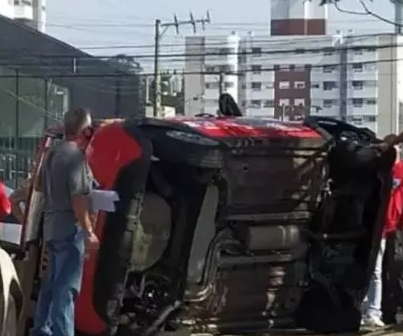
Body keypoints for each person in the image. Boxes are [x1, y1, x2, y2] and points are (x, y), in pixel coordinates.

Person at [30, 107, 100, 336]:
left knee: (51, 285)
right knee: (66, 290)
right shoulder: (75, 157)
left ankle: (42, 330)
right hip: (70, 230)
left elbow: (39, 185)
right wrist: (89, 232)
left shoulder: (54, 154)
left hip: (52, 228)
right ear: (85, 130)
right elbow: (78, 198)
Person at [362, 153, 403, 327]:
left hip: (394, 225)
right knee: (376, 270)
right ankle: (375, 310)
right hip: (379, 226)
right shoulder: (377, 172)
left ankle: (380, 310)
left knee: (393, 270)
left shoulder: (399, 169)